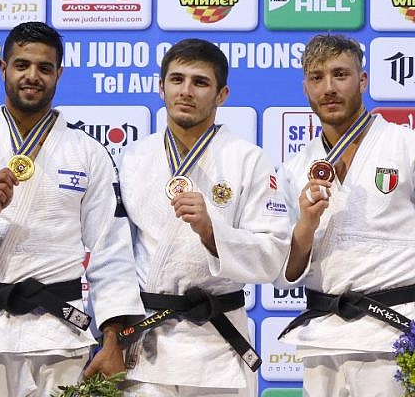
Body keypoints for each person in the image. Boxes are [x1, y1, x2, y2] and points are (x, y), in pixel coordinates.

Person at [0, 21, 145, 397]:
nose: (32, 76)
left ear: (59, 74)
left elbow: (111, 250)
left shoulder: (88, 152)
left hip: (59, 334)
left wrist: (112, 338)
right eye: (22, 65)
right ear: (3, 67)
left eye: (44, 67)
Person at [117, 38, 289, 397]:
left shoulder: (249, 160)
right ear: (160, 86)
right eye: (177, 79)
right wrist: (109, 334)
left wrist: (213, 232)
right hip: (147, 346)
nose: (186, 91)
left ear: (222, 94)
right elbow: (113, 256)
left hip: (216, 346)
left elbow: (273, 255)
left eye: (200, 82)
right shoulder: (133, 159)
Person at [275, 34, 415, 396]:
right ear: (305, 86)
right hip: (322, 337)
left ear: (363, 80)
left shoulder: (405, 146)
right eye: (317, 77)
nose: (329, 88)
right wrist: (306, 224)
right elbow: (287, 269)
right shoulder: (295, 168)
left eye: (340, 74)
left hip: (394, 333)